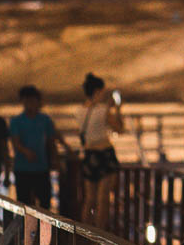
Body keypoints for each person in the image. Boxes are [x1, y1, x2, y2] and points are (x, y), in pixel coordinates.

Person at [9, 85, 70, 209]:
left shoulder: (45, 120)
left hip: (41, 167)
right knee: (24, 204)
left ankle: (41, 228)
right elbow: (15, 142)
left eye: (32, 100)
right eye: (26, 101)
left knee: (44, 203)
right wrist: (26, 152)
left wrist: (54, 160)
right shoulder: (16, 121)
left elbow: (51, 141)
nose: (29, 104)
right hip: (22, 168)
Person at [77, 73, 124, 228]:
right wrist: (117, 109)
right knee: (103, 198)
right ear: (97, 91)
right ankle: (100, 236)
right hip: (104, 154)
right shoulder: (103, 110)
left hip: (89, 155)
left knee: (89, 198)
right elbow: (120, 129)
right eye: (102, 91)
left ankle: (85, 235)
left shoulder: (80, 110)